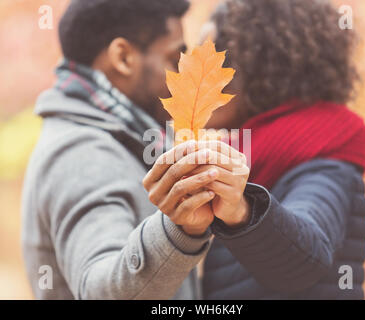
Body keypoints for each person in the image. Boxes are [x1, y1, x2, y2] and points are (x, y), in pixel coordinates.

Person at [21, 0, 253, 300]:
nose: (182, 79)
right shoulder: (82, 152)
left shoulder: (126, 137)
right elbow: (100, 291)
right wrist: (180, 231)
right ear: (123, 57)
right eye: (173, 59)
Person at [198, 0, 365, 299]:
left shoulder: (326, 157)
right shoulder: (248, 159)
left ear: (255, 68)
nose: (197, 80)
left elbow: (306, 257)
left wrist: (241, 211)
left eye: (209, 64)